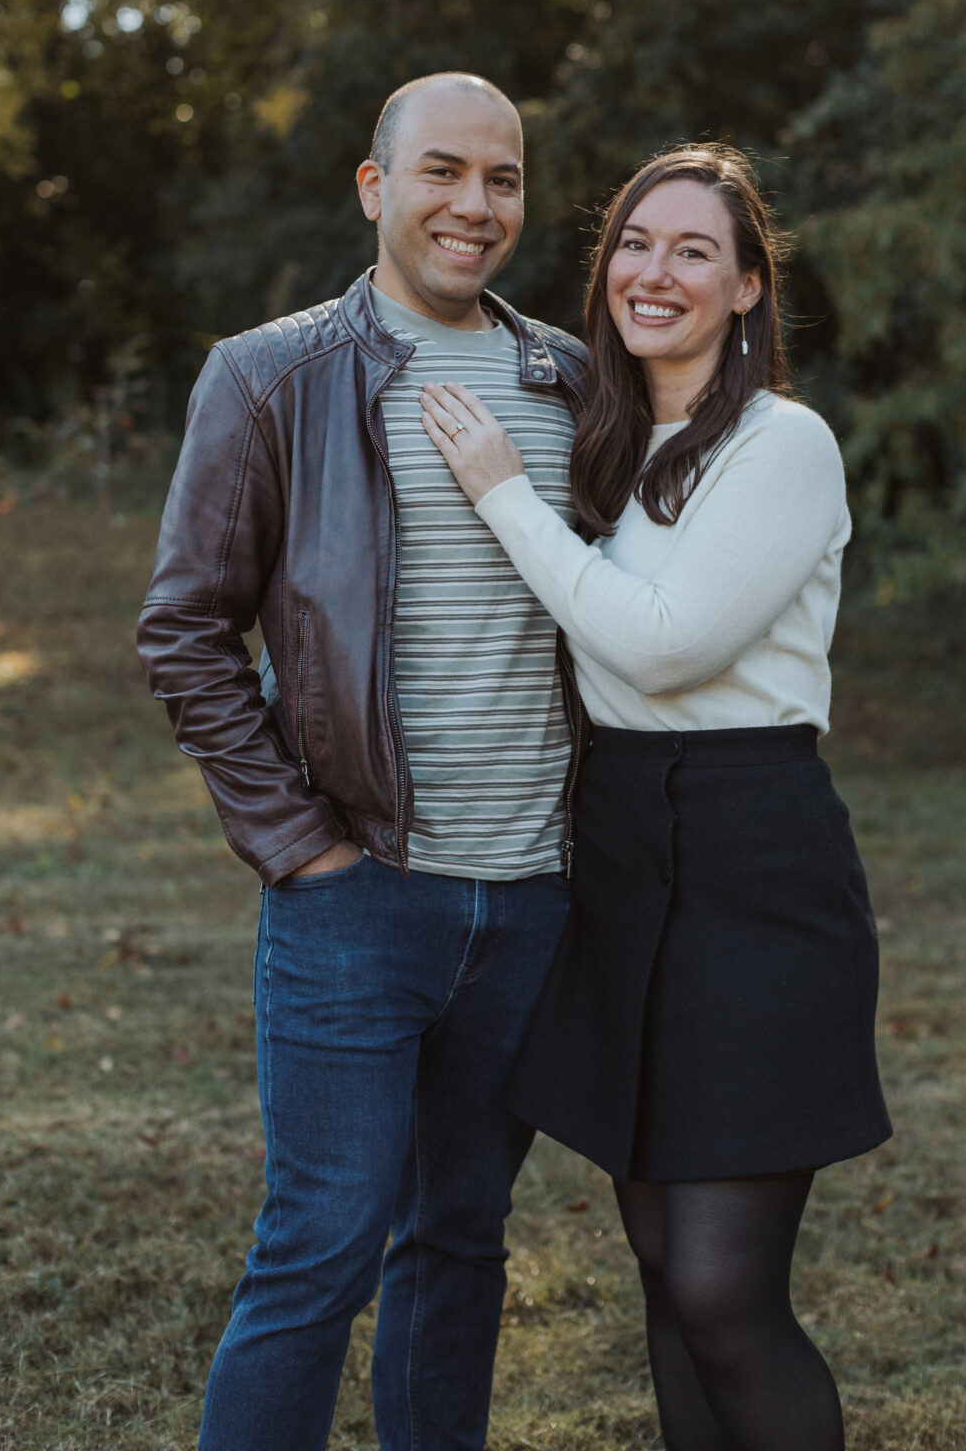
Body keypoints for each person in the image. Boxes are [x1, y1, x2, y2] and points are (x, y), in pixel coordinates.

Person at [135, 72, 589, 1451]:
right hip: (358, 897)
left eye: (501, 179)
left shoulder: (568, 375)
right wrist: (302, 850)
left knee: (457, 1242)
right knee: (320, 1250)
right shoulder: (272, 375)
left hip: (530, 901)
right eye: (442, 171)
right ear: (373, 186)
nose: (474, 205)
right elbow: (185, 629)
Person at [419, 144, 891, 1451]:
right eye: (634, 242)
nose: (654, 271)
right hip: (623, 857)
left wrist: (504, 500)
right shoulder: (616, 439)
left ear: (747, 288)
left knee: (719, 1284)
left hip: (752, 860)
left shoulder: (780, 444)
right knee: (655, 1265)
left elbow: (663, 644)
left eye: (693, 251)